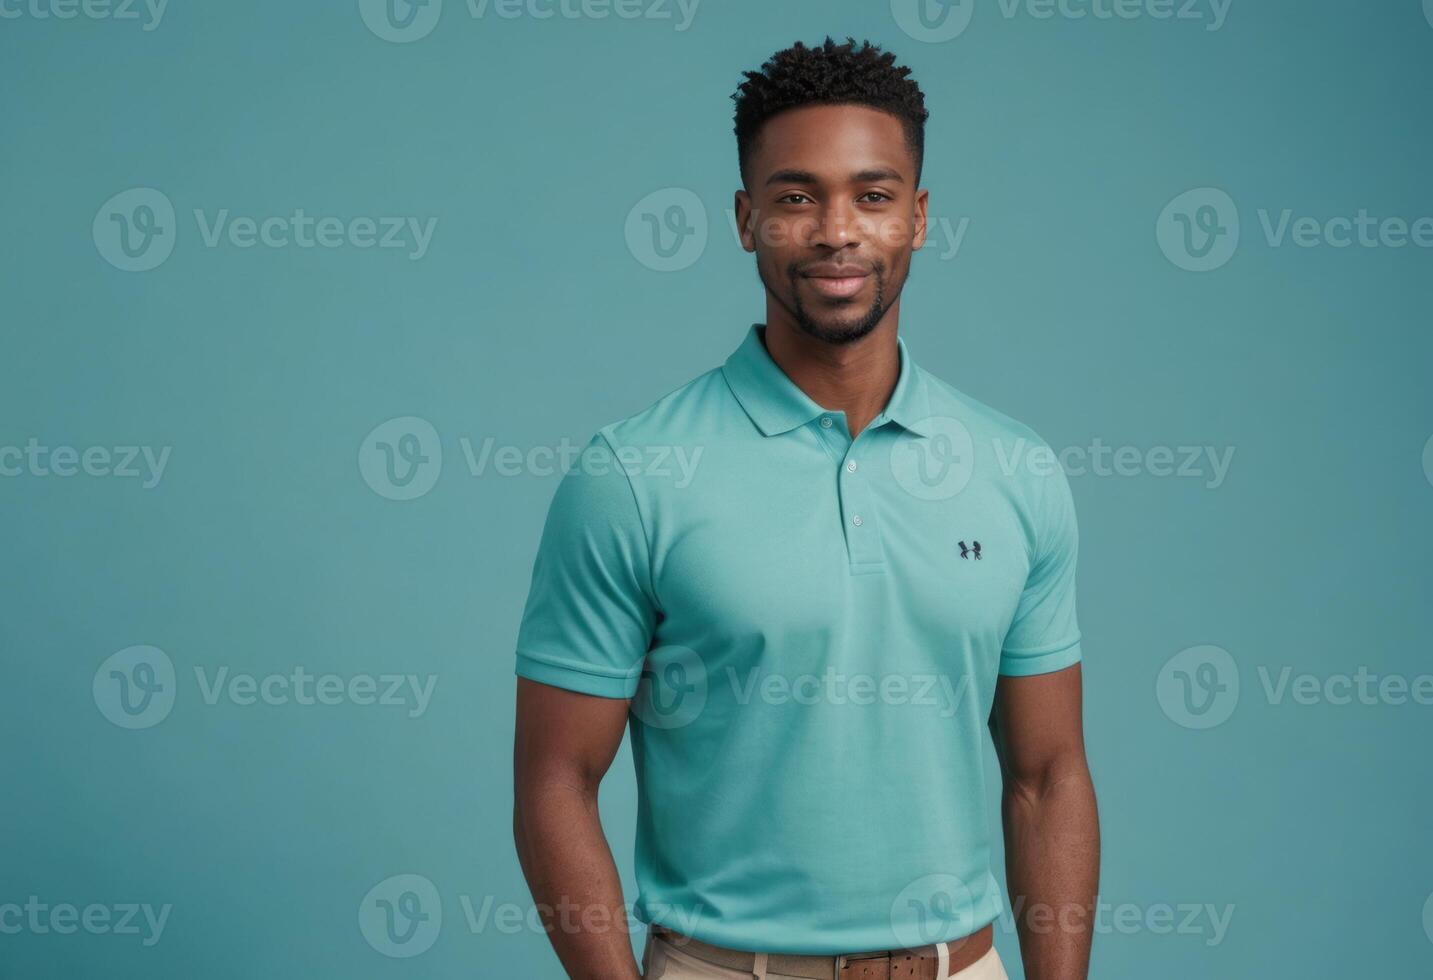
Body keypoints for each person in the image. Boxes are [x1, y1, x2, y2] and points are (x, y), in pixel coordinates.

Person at [512, 37, 1099, 980]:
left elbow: (1046, 777)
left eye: (872, 195)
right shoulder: (632, 475)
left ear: (918, 218)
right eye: (795, 197)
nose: (836, 230)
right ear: (746, 221)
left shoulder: (1014, 469)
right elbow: (555, 781)